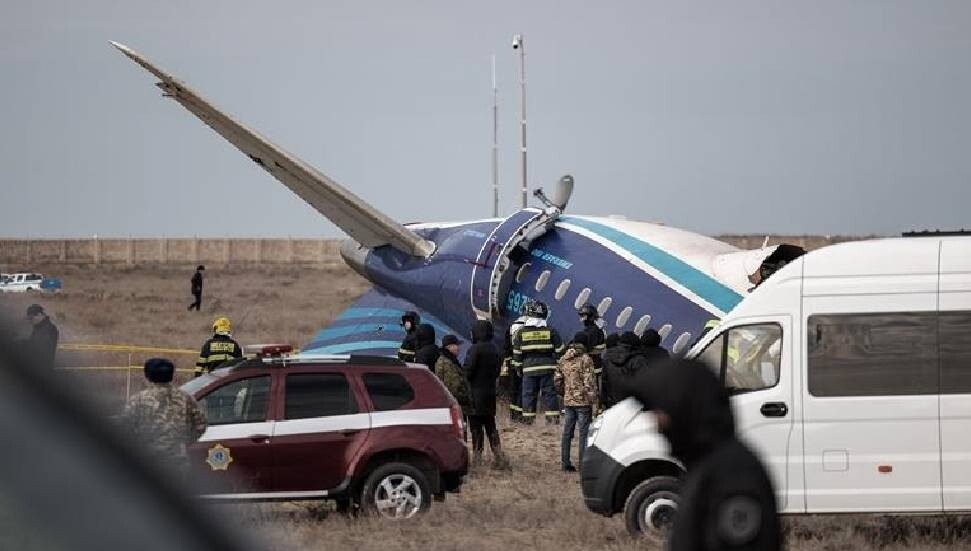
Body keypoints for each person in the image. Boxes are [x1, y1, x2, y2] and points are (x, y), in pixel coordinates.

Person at [636, 360, 780, 551]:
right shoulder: (705, 464)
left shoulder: (734, 475)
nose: (658, 423)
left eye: (663, 411)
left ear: (684, 406)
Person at [123, 358, 208, 475]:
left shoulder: (138, 400)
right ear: (171, 375)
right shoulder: (185, 398)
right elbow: (200, 426)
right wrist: (182, 442)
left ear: (147, 375)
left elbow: (126, 429)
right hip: (177, 461)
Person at [511, 300, 564, 424]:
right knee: (550, 394)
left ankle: (528, 420)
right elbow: (560, 350)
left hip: (528, 369)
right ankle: (553, 420)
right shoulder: (551, 331)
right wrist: (557, 366)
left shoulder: (521, 332)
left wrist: (518, 369)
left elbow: (517, 354)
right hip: (548, 368)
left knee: (528, 395)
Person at [464, 320, 508, 469]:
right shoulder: (495, 349)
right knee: (491, 426)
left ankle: (477, 459)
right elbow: (496, 372)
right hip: (489, 393)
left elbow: (468, 371)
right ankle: (499, 456)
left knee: (476, 428)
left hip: (475, 394)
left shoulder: (474, 349)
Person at [554, 332, 597, 473]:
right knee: (584, 433)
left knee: (567, 432)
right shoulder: (586, 359)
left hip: (568, 401)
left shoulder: (563, 358)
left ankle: (565, 463)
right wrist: (593, 401)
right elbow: (589, 382)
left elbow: (557, 380)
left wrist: (565, 394)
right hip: (583, 402)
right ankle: (583, 464)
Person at [600, 331, 649, 409]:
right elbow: (645, 384)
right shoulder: (638, 359)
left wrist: (604, 401)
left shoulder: (608, 357)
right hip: (634, 405)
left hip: (613, 404)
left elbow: (604, 382)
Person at [434, 334, 473, 430]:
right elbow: (454, 386)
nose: (458, 348)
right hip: (456, 406)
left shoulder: (448, 360)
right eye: (456, 345)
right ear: (449, 347)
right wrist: (465, 398)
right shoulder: (447, 363)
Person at [502, 313, 528, 423]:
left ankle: (513, 415)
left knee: (514, 389)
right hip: (525, 363)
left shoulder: (512, 327)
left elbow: (507, 348)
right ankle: (521, 415)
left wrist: (508, 363)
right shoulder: (529, 328)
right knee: (523, 389)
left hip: (513, 362)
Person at [24, 304, 59, 369]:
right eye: (28, 319)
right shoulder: (39, 328)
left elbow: (39, 348)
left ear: (40, 315)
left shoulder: (49, 329)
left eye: (31, 318)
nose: (30, 321)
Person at [576, 304, 607, 376]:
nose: (581, 319)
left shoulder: (583, 335)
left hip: (587, 370)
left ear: (588, 317)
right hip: (598, 367)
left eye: (583, 316)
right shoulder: (601, 332)